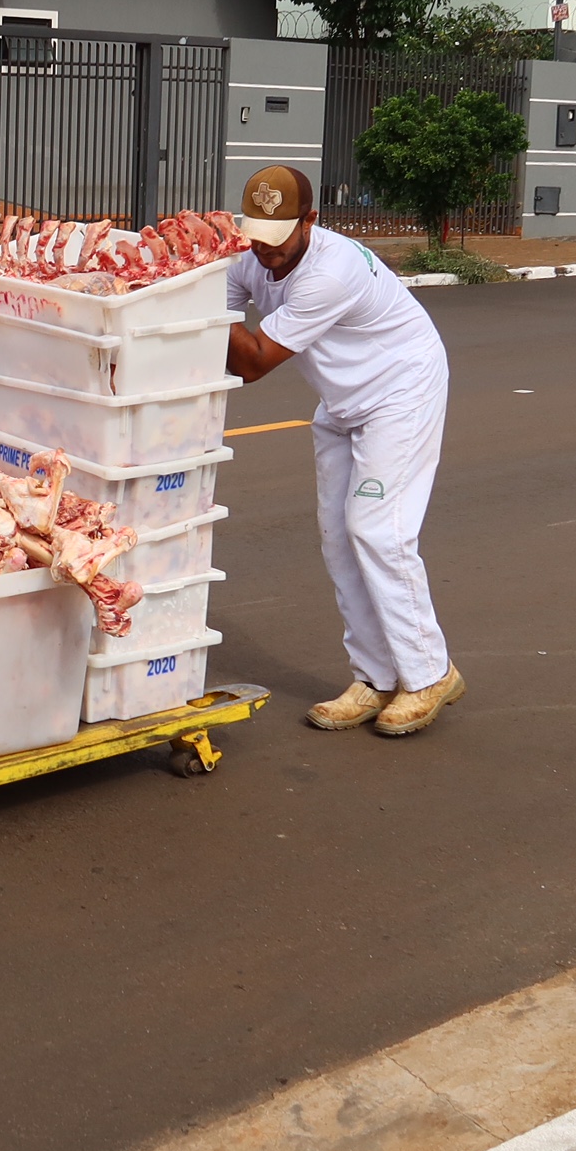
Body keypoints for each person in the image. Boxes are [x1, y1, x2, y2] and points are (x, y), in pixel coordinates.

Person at [222, 164, 463, 737]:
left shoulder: (331, 271)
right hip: (341, 398)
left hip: (401, 391)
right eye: (255, 236)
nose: (265, 251)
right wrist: (198, 286)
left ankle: (430, 673)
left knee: (378, 530)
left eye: (278, 238)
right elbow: (219, 321)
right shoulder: (249, 257)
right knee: (338, 538)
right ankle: (375, 677)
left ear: (310, 220)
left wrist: (191, 291)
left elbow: (251, 361)